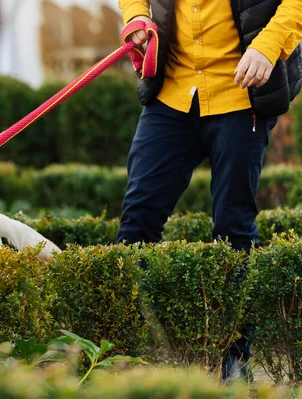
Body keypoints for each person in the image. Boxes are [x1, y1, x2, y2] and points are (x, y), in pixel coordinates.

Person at [116, 0, 302, 382]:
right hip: (172, 92)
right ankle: (119, 354)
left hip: (241, 93)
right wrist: (136, 15)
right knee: (136, 221)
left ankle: (236, 363)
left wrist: (269, 44)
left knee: (234, 230)